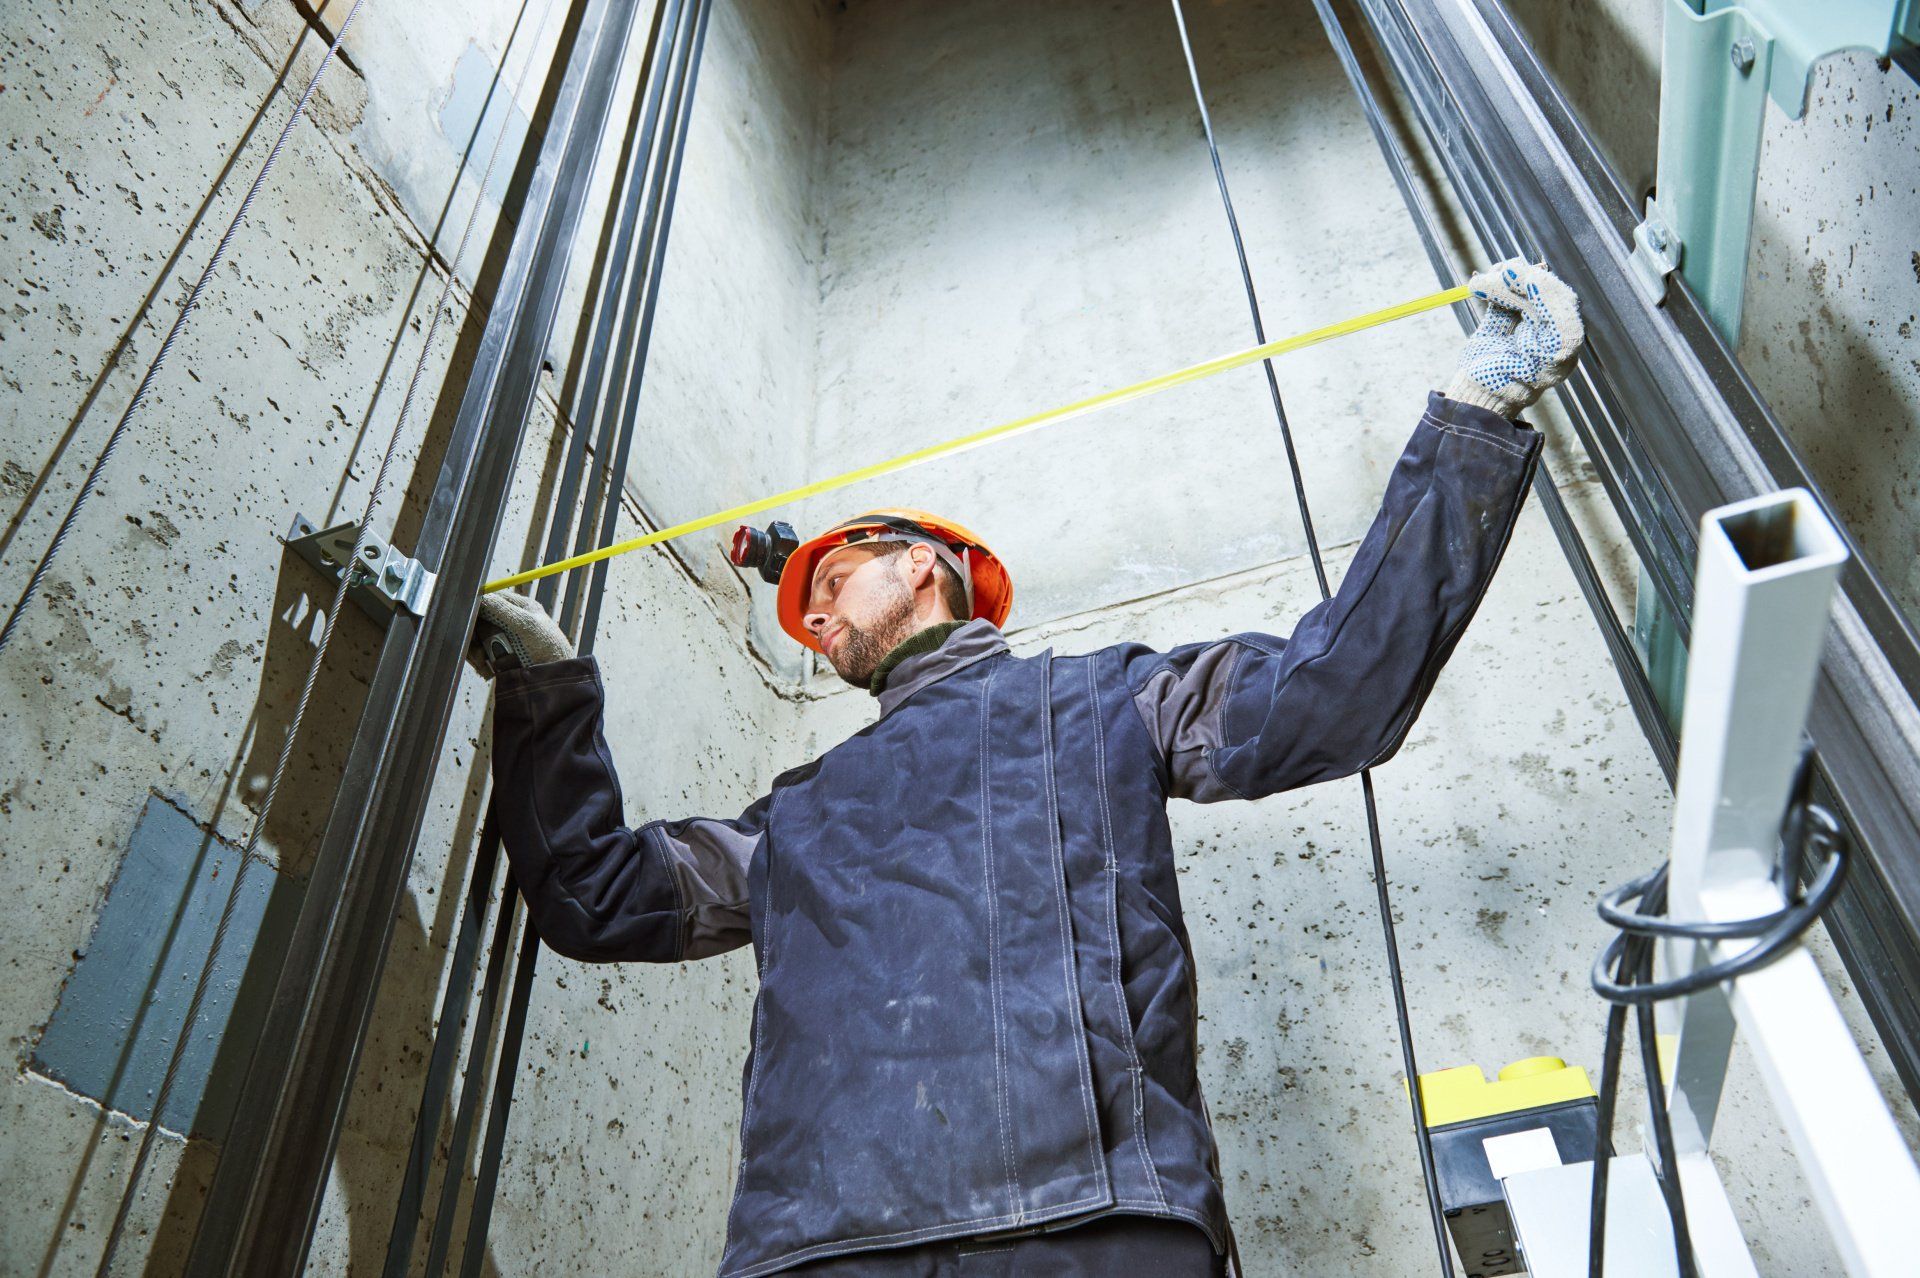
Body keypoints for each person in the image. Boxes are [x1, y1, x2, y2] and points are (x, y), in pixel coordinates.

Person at [472, 260, 1583, 1277]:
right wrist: (547, 695)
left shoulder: (1109, 704)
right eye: (804, 603)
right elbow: (599, 899)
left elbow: (1334, 697)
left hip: (1089, 1228)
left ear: (923, 567)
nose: (811, 611)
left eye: (832, 579)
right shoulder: (796, 820)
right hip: (822, 1251)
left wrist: (1473, 414)